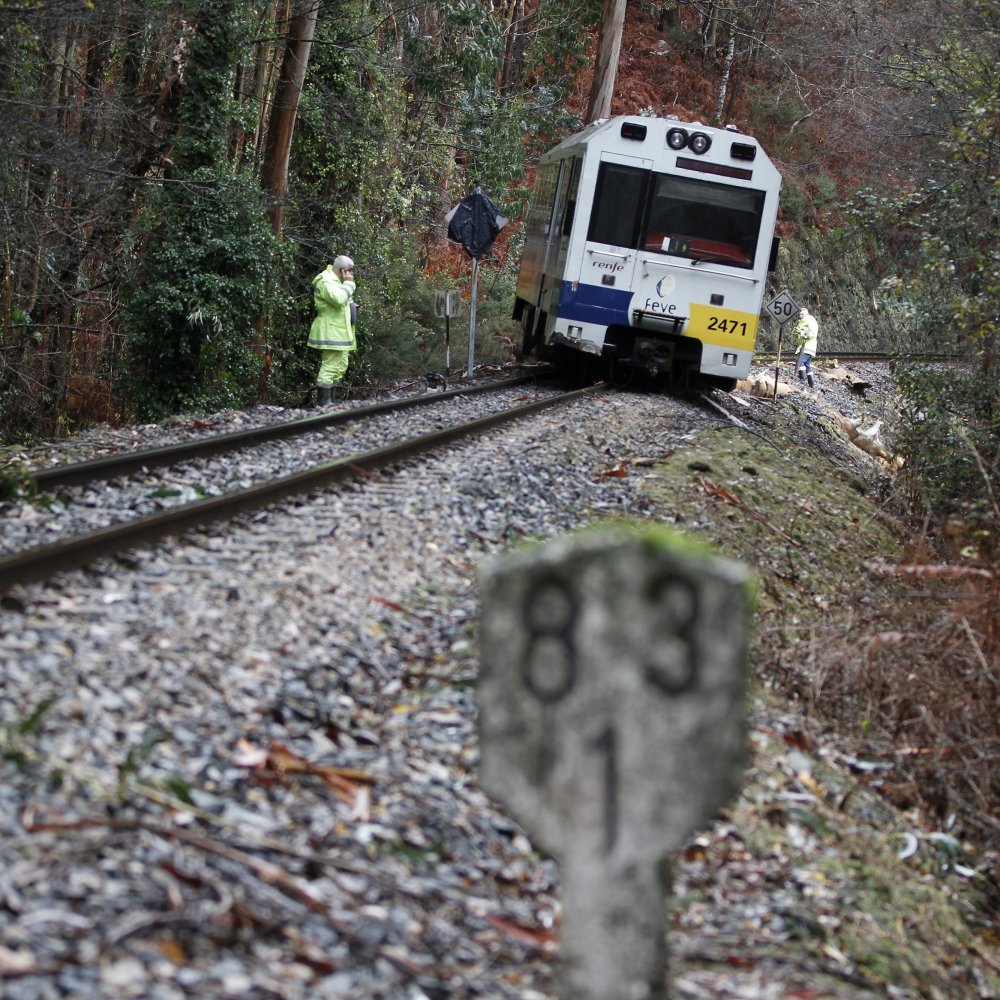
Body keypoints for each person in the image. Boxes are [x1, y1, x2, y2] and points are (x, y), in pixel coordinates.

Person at [307, 254, 357, 405]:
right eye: (349, 271)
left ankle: (331, 399)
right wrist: (349, 284)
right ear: (342, 270)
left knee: (341, 366)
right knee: (330, 366)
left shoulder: (337, 281)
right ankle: (324, 402)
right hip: (330, 330)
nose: (351, 275)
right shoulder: (326, 281)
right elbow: (338, 299)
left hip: (340, 331)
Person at [791, 306, 819, 389]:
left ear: (807, 313)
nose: (800, 314)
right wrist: (795, 332)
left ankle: (801, 379)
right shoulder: (801, 321)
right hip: (804, 346)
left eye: (802, 313)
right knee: (807, 365)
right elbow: (798, 334)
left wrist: (801, 333)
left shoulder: (810, 321)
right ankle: (811, 383)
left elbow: (812, 334)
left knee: (801, 362)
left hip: (808, 346)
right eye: (800, 313)